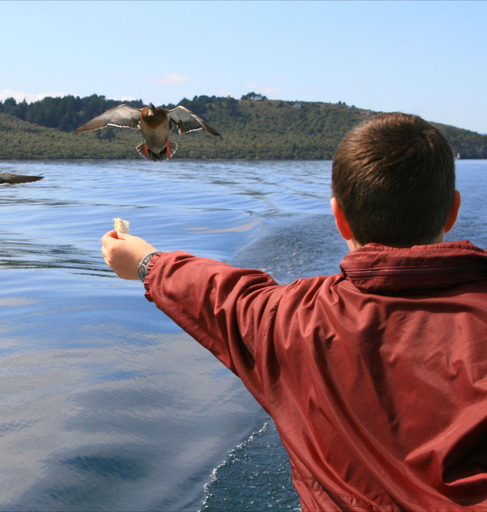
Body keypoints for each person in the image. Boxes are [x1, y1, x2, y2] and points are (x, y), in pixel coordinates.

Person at [101, 112, 487, 512]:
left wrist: (146, 262)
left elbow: (215, 293)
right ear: (452, 211)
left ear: (338, 218)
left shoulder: (292, 319)